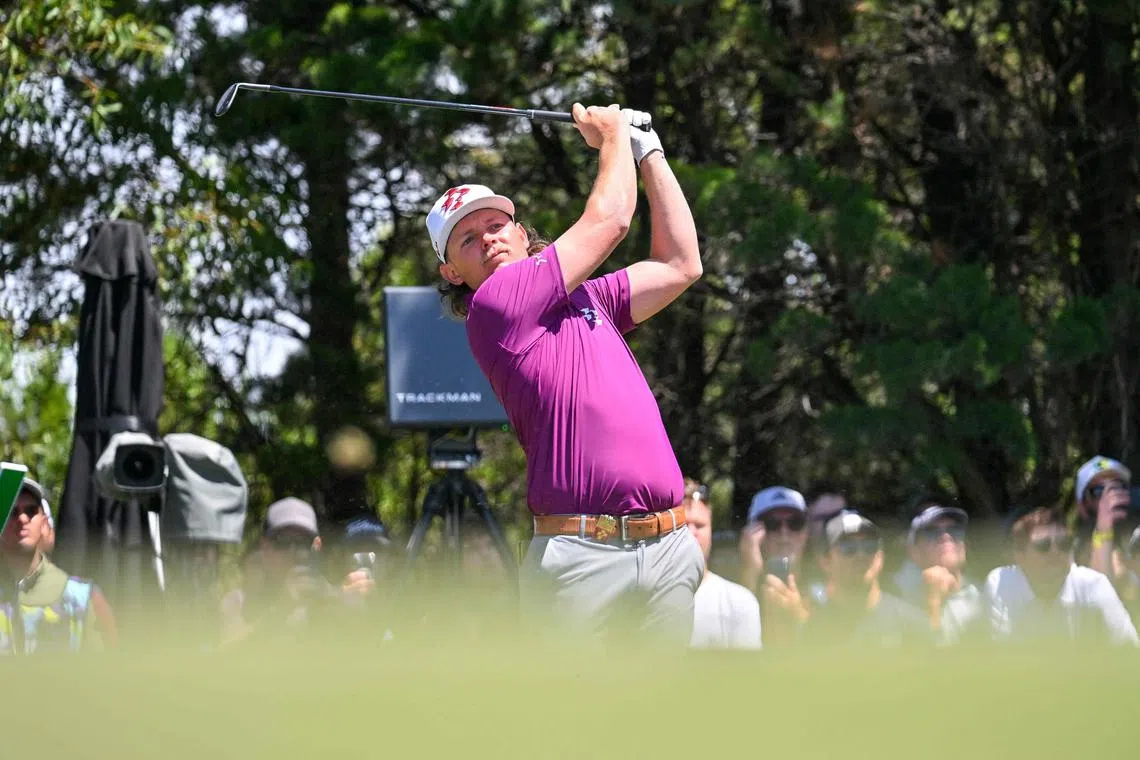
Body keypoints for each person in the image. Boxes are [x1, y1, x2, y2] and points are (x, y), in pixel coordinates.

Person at [427, 103, 704, 644]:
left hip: (668, 543)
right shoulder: (496, 306)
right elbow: (611, 220)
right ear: (452, 273)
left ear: (520, 232)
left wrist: (649, 151)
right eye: (468, 239)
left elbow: (680, 264)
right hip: (582, 558)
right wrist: (613, 136)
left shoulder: (588, 298)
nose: (488, 238)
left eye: (495, 224)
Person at [985, 507, 1137, 645]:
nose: (1056, 552)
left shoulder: (1094, 585)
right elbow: (1000, 655)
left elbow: (1130, 652)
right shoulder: (1001, 584)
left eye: (1064, 543)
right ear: (1019, 556)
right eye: (1043, 545)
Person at [0, 477, 117, 653]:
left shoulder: (83, 596)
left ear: (43, 522)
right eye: (12, 512)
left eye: (31, 511)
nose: (23, 518)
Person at [799, 511, 932, 648]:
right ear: (825, 561)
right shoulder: (811, 630)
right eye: (848, 548)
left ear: (880, 557)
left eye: (870, 546)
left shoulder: (912, 624)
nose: (861, 555)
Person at [684, 480, 761, 650]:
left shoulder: (740, 603)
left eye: (699, 525)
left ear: (711, 530)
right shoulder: (642, 598)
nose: (690, 533)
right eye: (682, 525)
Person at [893, 504, 984, 644]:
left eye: (955, 530)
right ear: (914, 552)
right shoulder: (900, 603)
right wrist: (933, 602)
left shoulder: (986, 594)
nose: (946, 537)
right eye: (932, 532)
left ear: (964, 545)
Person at [738, 486, 809, 645]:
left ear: (805, 533)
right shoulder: (732, 592)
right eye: (772, 524)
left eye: (795, 523)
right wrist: (750, 575)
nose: (784, 532)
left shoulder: (823, 589)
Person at [1072, 456, 1131, 584]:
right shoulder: (1067, 549)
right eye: (1099, 491)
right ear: (1082, 506)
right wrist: (1104, 530)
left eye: (1119, 487)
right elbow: (1099, 588)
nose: (1112, 496)